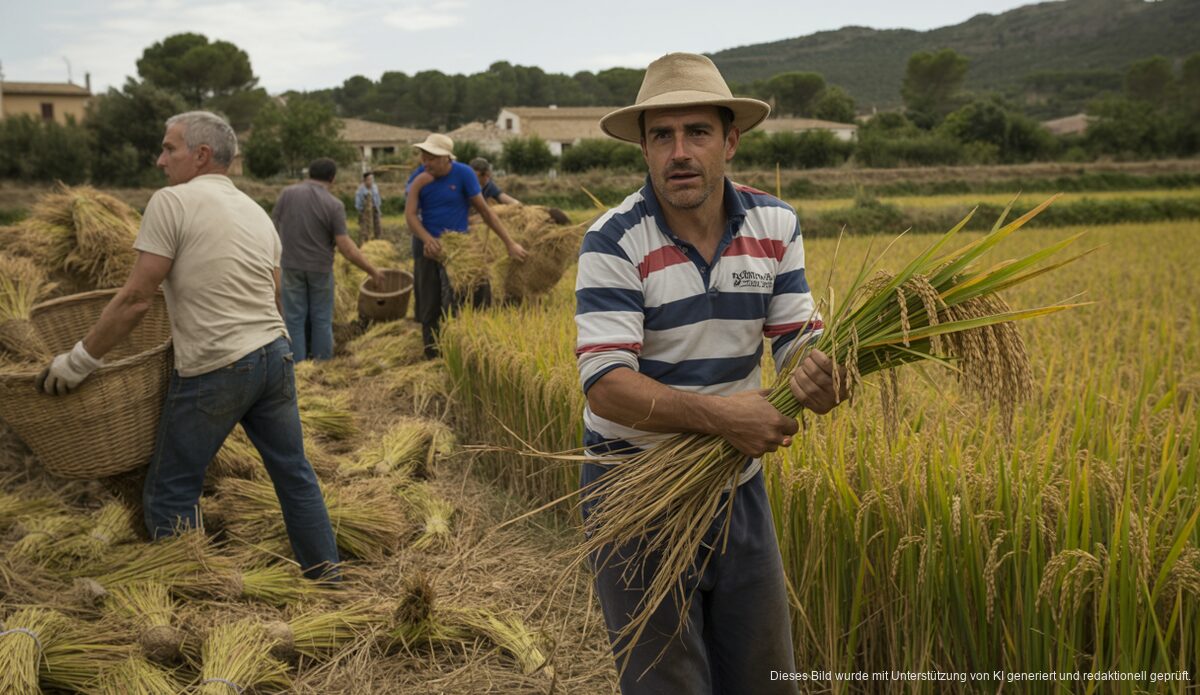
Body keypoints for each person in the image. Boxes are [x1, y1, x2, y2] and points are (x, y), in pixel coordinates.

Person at [574, 53, 848, 693]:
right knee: (668, 683)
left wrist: (821, 373)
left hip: (735, 484)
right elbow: (607, 384)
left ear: (730, 141)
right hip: (634, 489)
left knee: (765, 675)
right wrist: (727, 417)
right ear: (644, 149)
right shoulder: (614, 240)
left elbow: (795, 340)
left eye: (697, 132)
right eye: (662, 136)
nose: (680, 152)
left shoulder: (775, 224)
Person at [37, 111, 341, 581]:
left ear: (201, 155)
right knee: (294, 474)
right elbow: (276, 298)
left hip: (219, 365)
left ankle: (195, 593)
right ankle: (328, 578)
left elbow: (137, 299)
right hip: (274, 355)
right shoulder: (256, 212)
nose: (160, 160)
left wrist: (78, 362)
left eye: (169, 148)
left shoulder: (171, 202)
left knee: (171, 491)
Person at [405, 134, 528, 359]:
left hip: (458, 247)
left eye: (431, 158)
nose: (426, 163)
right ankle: (432, 354)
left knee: (468, 296)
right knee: (429, 302)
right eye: (424, 157)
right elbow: (411, 215)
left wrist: (510, 243)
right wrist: (427, 239)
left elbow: (485, 212)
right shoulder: (418, 178)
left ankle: (463, 349)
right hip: (427, 246)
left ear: (446, 158)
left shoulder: (464, 174)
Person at [273, 158, 384, 361]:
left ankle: (297, 367)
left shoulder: (287, 194)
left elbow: (275, 227)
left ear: (309, 174)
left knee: (294, 319)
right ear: (332, 178)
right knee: (321, 319)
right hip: (320, 269)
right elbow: (345, 247)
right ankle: (322, 364)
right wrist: (372, 270)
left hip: (290, 266)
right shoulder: (334, 204)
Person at [354, 171, 383, 242]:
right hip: (365, 210)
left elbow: (378, 198)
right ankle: (364, 242)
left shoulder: (375, 187)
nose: (371, 181)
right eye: (369, 179)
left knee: (378, 226)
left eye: (372, 179)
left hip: (375, 208)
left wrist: (378, 207)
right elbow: (358, 204)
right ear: (365, 180)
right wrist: (362, 211)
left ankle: (378, 241)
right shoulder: (360, 190)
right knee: (364, 228)